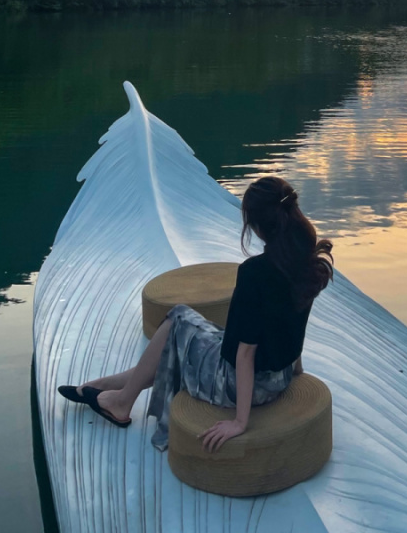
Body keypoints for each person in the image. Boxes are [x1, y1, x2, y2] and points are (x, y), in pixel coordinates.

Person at [58, 175, 333, 451]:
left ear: (257, 226)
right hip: (279, 377)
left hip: (239, 386)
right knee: (184, 337)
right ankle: (107, 385)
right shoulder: (306, 260)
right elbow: (295, 322)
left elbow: (245, 354)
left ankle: (120, 402)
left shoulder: (255, 273)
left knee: (177, 318)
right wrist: (295, 369)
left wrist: (240, 422)